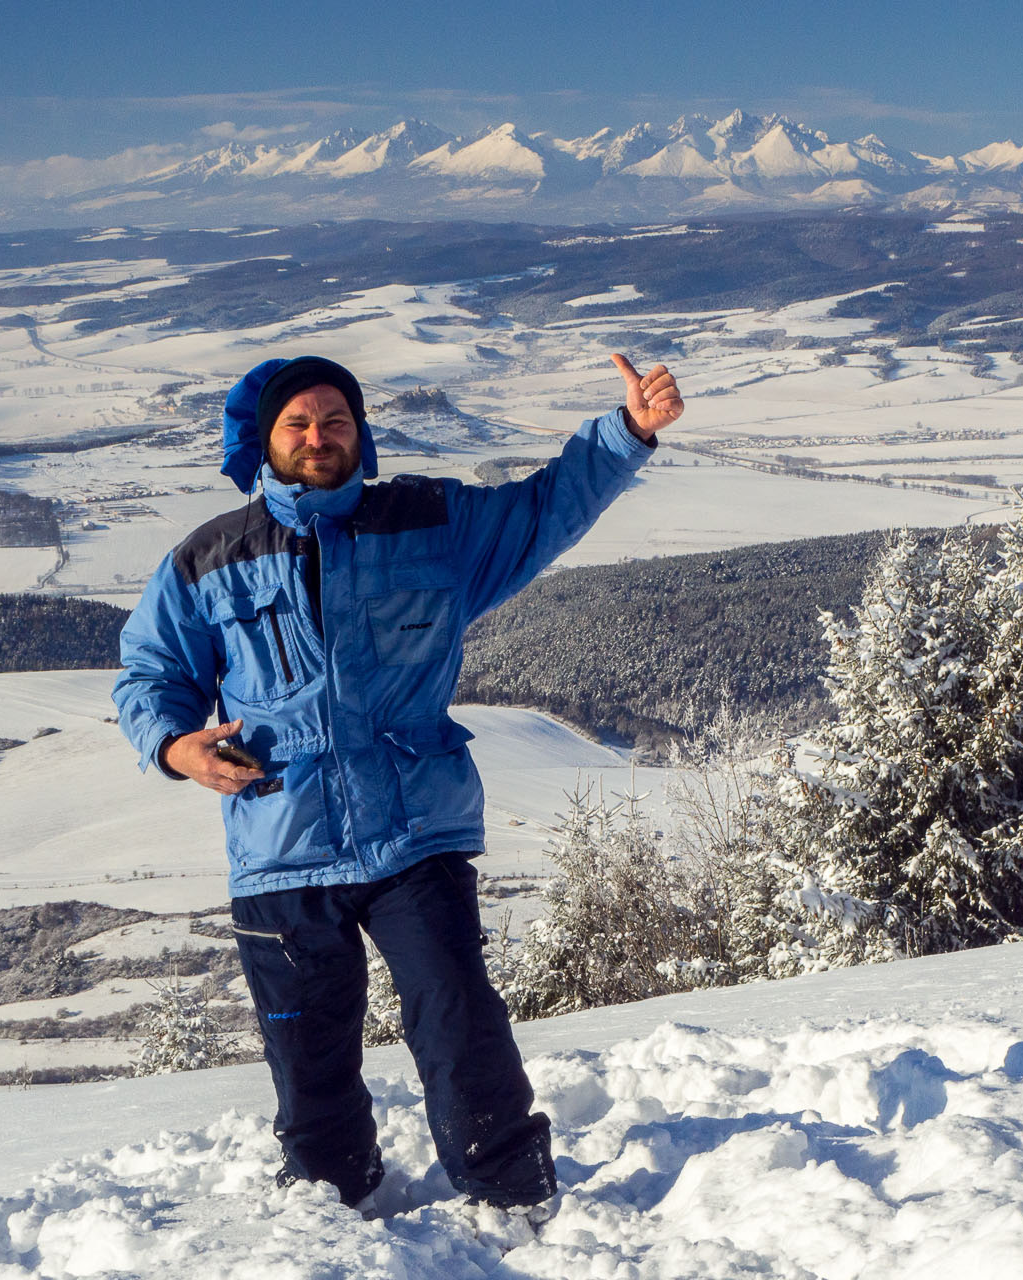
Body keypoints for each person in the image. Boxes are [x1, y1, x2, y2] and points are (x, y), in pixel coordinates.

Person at [112, 351, 681, 1214]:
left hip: (415, 828)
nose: (318, 436)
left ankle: (512, 1196)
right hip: (281, 842)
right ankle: (330, 1205)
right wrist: (176, 748)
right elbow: (149, 677)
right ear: (263, 440)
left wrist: (629, 431)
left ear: (361, 432)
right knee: (308, 1057)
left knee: (460, 1021)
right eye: (298, 423)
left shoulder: (431, 521)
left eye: (335, 420)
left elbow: (542, 510)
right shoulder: (205, 561)